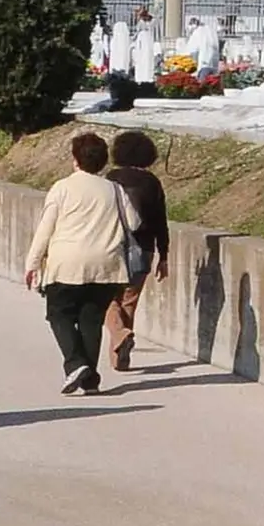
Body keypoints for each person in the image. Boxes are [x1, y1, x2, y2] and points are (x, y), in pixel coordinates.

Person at [23, 129, 134, 396]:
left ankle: (76, 363)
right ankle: (90, 380)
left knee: (58, 314)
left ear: (75, 159)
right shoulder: (115, 190)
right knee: (91, 319)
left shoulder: (62, 188)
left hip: (67, 264)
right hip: (106, 266)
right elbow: (134, 223)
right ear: (103, 162)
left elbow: (45, 229)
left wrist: (32, 263)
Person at [103, 128, 170, 372]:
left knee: (105, 299)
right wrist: (164, 255)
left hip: (113, 247)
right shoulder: (152, 182)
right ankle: (120, 354)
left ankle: (120, 334)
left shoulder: (111, 178)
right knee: (129, 301)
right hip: (144, 249)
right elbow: (160, 221)